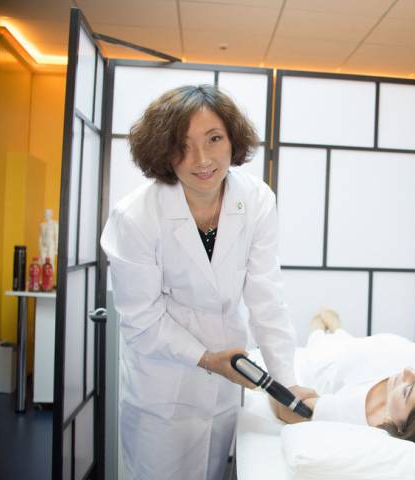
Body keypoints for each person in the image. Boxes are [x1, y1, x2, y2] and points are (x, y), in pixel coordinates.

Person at [101, 84, 314, 480]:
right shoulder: (135, 217)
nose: (201, 159)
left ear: (233, 139)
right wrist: (207, 359)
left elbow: (266, 297)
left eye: (214, 139)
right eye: (182, 145)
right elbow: (141, 321)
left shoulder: (256, 200)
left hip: (222, 389)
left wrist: (285, 387)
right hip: (161, 388)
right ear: (163, 151)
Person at [271, 309, 415, 448]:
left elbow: (285, 406)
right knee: (345, 340)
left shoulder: (354, 412)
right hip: (368, 349)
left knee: (320, 343)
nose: (408, 371)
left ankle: (320, 329)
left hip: (332, 364)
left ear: (398, 425)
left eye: (407, 390)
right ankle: (338, 329)